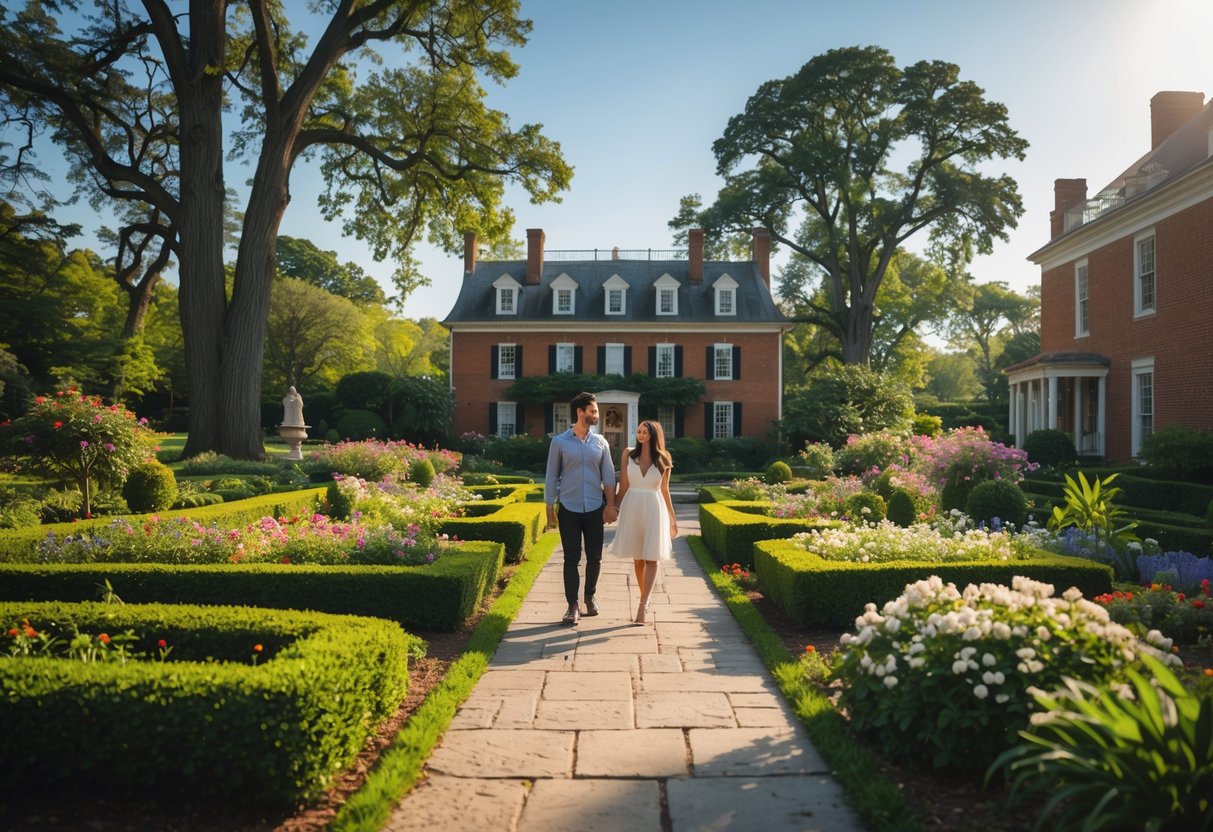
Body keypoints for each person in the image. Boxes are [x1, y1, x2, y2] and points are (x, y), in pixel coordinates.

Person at [544, 392, 618, 625]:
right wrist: (549, 509)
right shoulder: (559, 442)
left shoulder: (601, 443)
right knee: (571, 557)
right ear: (580, 412)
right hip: (569, 507)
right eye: (593, 411)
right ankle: (572, 606)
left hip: (595, 507)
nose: (596, 415)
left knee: (595, 557)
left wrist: (611, 506)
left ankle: (590, 596)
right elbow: (550, 477)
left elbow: (608, 478)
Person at [610, 419, 677, 625]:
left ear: (653, 435)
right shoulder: (628, 454)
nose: (640, 435)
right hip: (633, 506)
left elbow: (665, 489)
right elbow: (624, 484)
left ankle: (642, 605)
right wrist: (613, 507)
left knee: (652, 557)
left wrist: (673, 518)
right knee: (638, 559)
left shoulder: (664, 458)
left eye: (645, 432)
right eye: (638, 431)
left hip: (654, 506)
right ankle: (644, 596)